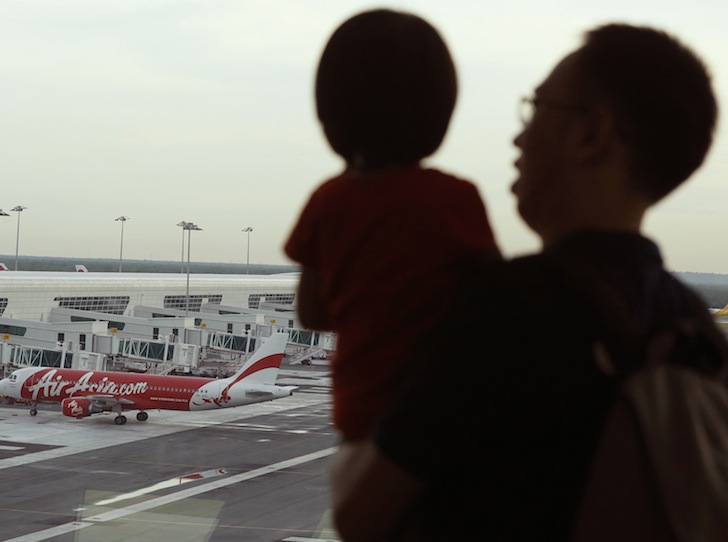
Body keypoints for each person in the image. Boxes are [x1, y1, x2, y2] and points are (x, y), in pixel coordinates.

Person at [331, 23, 725, 540]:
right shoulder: (696, 332)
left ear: (591, 133)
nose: (519, 135)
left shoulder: (511, 309)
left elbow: (359, 517)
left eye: (536, 107)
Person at [284, 9, 500, 442]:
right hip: (443, 412)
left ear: (331, 117)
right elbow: (492, 299)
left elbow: (311, 313)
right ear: (440, 114)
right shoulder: (457, 198)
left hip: (362, 418)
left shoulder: (330, 200)